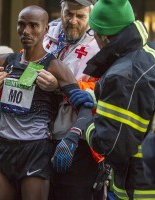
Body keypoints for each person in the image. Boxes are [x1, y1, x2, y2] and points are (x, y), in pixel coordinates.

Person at [0, 1, 102, 199]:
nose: (73, 20)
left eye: (80, 16)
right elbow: (22, 70)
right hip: (35, 139)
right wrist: (3, 82)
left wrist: (59, 87)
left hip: (72, 140)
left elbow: (101, 92)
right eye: (68, 13)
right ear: (61, 9)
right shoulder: (43, 29)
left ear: (91, 15)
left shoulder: (98, 45)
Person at [54, 0, 155, 199]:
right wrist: (94, 96)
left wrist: (88, 121)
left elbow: (109, 144)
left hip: (140, 188)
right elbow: (133, 102)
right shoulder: (148, 52)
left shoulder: (122, 75)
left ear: (103, 37)